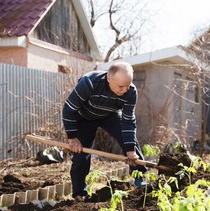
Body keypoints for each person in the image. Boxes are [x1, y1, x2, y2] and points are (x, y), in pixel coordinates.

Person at [62, 61, 147, 198]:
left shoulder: (130, 91)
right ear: (109, 78)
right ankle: (79, 193)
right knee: (81, 154)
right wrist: (73, 138)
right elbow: (68, 110)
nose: (124, 90)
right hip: (85, 117)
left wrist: (130, 150)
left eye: (127, 85)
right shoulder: (89, 83)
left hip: (110, 115)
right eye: (121, 86)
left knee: (131, 145)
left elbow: (128, 121)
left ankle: (139, 181)